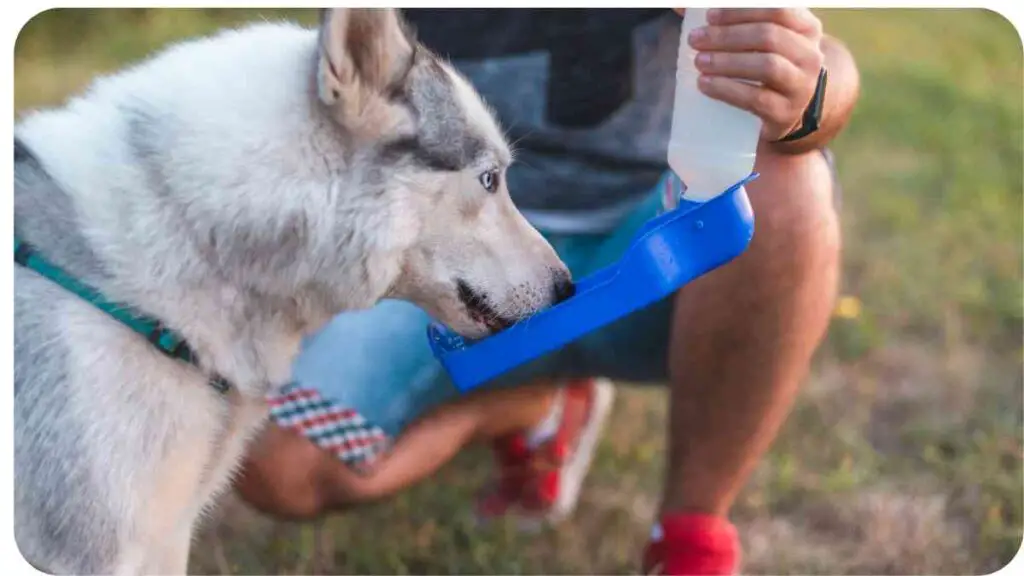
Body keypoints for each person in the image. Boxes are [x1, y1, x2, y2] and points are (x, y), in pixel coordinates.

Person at [235, 8, 860, 575]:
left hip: (657, 235)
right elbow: (334, 76)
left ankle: (690, 534)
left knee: (786, 183)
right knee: (273, 465)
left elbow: (821, 49)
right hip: (461, 252)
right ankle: (532, 407)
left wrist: (809, 91)